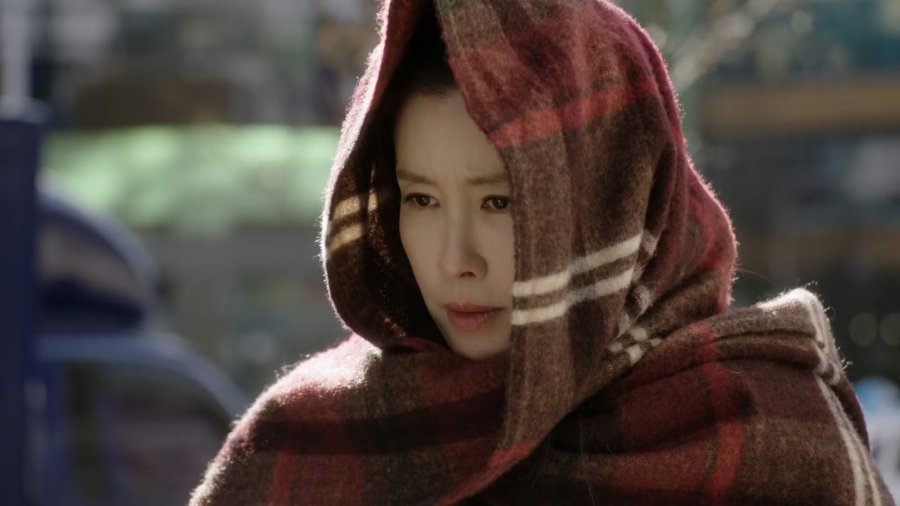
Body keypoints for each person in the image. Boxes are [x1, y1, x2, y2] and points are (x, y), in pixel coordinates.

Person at [190, 1, 894, 504]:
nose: (456, 260)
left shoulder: (770, 434)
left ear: (613, 199)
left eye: (500, 203)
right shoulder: (307, 442)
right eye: (422, 200)